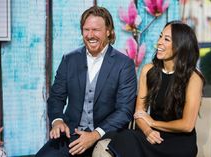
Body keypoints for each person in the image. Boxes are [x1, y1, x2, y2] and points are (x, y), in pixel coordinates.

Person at [36, 6, 137, 157]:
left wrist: (95, 135)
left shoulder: (124, 64)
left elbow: (125, 110)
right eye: (86, 29)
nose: (90, 35)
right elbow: (57, 97)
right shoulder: (69, 60)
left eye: (96, 30)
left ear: (108, 31)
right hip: (72, 134)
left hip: (107, 136)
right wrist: (57, 120)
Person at [107, 20, 205, 157]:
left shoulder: (194, 78)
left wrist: (153, 122)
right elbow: (139, 114)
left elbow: (187, 125)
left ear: (180, 45)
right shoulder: (148, 71)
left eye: (166, 39)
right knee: (125, 137)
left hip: (179, 142)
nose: (159, 42)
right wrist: (148, 131)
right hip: (152, 135)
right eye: (160, 37)